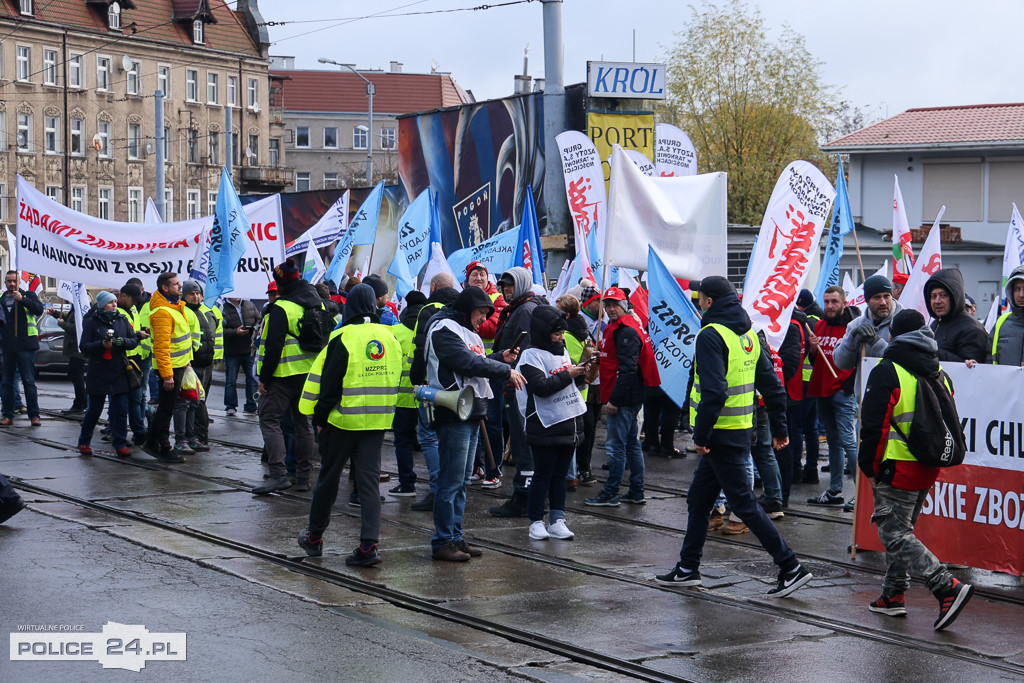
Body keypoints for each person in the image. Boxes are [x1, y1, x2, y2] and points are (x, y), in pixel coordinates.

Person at [656, 276, 812, 597]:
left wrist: (700, 436)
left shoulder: (710, 335)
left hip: (719, 436)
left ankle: (790, 566)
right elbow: (771, 385)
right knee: (699, 500)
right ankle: (688, 568)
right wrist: (780, 429)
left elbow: (714, 391)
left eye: (700, 298)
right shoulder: (750, 335)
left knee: (744, 504)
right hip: (739, 431)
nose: (698, 303)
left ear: (709, 301)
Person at [857, 309, 974, 630]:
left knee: (893, 534)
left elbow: (874, 427)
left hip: (896, 468)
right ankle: (892, 596)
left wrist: (868, 466)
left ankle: (945, 586)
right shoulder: (939, 371)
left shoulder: (888, 371)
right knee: (902, 531)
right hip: (927, 467)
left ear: (893, 334)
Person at [296, 284, 401, 565]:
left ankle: (315, 538)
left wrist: (319, 419)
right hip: (377, 423)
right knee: (368, 484)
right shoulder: (389, 337)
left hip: (342, 422)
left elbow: (329, 385)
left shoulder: (342, 337)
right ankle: (368, 547)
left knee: (328, 479)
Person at [425, 286, 524, 561]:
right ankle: (443, 540)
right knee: (451, 481)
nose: (484, 319)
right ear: (468, 310)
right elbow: (466, 362)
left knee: (461, 481)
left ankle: (454, 537)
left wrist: (498, 358)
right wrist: (504, 369)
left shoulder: (465, 330)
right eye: (481, 313)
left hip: (469, 410)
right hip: (454, 412)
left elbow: (475, 361)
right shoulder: (444, 328)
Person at [253, 259, 323, 494]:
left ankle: (278, 475)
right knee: (303, 425)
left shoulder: (281, 308)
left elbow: (273, 347)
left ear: (281, 284)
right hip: (309, 374)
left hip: (283, 374)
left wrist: (264, 378)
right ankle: (303, 477)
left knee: (269, 420)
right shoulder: (318, 304)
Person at [585, 287, 658, 507]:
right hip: (630, 395)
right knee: (630, 444)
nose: (610, 308)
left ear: (624, 305)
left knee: (616, 446)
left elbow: (627, 371)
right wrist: (603, 355)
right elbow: (621, 361)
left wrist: (614, 400)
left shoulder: (625, 331)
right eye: (607, 305)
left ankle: (611, 492)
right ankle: (636, 490)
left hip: (623, 397)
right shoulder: (625, 327)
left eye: (615, 304)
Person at [519, 305, 587, 541]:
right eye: (556, 334)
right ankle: (536, 521)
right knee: (543, 474)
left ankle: (558, 519)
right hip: (545, 424)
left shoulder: (562, 350)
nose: (560, 338)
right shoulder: (531, 355)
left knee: (560, 475)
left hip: (568, 423)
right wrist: (569, 374)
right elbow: (540, 387)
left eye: (562, 334)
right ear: (543, 332)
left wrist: (582, 373)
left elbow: (568, 384)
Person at [489, 266, 546, 517]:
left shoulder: (524, 310)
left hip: (518, 385)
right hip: (516, 383)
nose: (506, 289)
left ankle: (524, 497)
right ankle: (529, 495)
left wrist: (508, 374)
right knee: (524, 441)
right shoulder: (522, 307)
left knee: (523, 443)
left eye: (511, 284)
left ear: (522, 284)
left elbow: (521, 352)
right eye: (503, 285)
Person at [407, 273, 459, 512]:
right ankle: (453, 488)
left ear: (434, 287)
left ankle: (438, 488)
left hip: (432, 386)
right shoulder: (461, 305)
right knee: (453, 438)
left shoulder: (428, 310)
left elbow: (421, 348)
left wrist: (416, 380)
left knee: (428, 436)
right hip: (459, 387)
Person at [804, 286, 858, 502]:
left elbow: (858, 361)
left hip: (842, 391)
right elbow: (815, 361)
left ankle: (861, 494)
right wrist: (813, 350)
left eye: (834, 301)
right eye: (826, 301)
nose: (829, 306)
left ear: (843, 303)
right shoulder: (819, 325)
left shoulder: (852, 327)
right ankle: (835, 490)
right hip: (822, 390)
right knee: (834, 442)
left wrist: (849, 387)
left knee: (847, 441)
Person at [77, 291, 139, 457]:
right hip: (98, 371)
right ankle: (84, 441)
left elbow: (133, 340)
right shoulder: (92, 322)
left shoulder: (122, 319)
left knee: (120, 410)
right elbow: (84, 346)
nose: (114, 304)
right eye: (110, 302)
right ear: (102, 304)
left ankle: (119, 443)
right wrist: (101, 345)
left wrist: (123, 342)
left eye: (114, 302)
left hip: (119, 371)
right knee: (94, 410)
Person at [140, 272, 190, 463]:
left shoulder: (174, 306)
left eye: (179, 283)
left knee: (166, 407)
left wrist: (186, 361)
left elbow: (179, 340)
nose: (180, 287)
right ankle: (163, 446)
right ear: (165, 288)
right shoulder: (162, 312)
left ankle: (152, 442)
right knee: (166, 409)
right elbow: (161, 347)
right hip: (170, 370)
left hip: (177, 366)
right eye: (176, 284)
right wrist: (168, 375)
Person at [465, 261, 506, 486]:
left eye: (482, 274)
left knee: (492, 422)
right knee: (472, 421)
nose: (479, 278)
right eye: (474, 274)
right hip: (470, 370)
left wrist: (468, 323)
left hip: (490, 371)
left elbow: (492, 327)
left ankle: (494, 470)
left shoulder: (497, 299)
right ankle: (476, 467)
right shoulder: (464, 297)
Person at [388, 290, 428, 498]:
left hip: (401, 398)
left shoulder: (394, 332)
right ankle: (436, 485)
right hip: (427, 396)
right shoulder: (431, 328)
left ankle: (407, 484)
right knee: (431, 441)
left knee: (402, 441)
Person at [0, 270, 44, 427]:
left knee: (28, 381)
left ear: (19, 282)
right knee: (7, 382)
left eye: (14, 281)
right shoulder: (2, 299)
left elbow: (39, 309)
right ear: (5, 283)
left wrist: (23, 299)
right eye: (9, 281)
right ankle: (8, 414)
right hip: (7, 346)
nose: (12, 284)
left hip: (26, 345)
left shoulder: (29, 295)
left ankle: (34, 415)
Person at [182, 280, 219, 453]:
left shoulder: (203, 313)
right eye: (192, 294)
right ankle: (192, 437)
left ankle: (198, 436)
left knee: (197, 402)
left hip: (204, 363)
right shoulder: (184, 312)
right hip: (191, 364)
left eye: (198, 293)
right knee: (191, 403)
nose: (196, 296)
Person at [923, 268, 988, 363]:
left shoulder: (971, 329)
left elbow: (971, 371)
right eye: (933, 296)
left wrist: (932, 351)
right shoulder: (935, 324)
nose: (937, 301)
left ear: (955, 297)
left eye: (943, 295)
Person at [118, 284, 150, 446]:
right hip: (122, 360)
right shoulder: (117, 312)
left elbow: (132, 330)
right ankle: (120, 433)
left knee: (136, 398)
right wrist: (138, 335)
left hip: (134, 359)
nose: (135, 303)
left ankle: (138, 431)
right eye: (133, 299)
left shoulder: (133, 309)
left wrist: (141, 331)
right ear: (124, 296)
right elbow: (121, 335)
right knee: (123, 401)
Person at [220, 295, 260, 415]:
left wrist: (255, 327)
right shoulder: (223, 308)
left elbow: (259, 319)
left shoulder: (249, 304)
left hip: (248, 349)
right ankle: (230, 406)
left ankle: (251, 405)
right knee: (231, 380)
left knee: (252, 379)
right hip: (232, 351)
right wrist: (235, 332)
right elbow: (220, 329)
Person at [989, 265, 1024, 366]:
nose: (1021, 294)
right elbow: (988, 358)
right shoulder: (1001, 323)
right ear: (1011, 292)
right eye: (1017, 289)